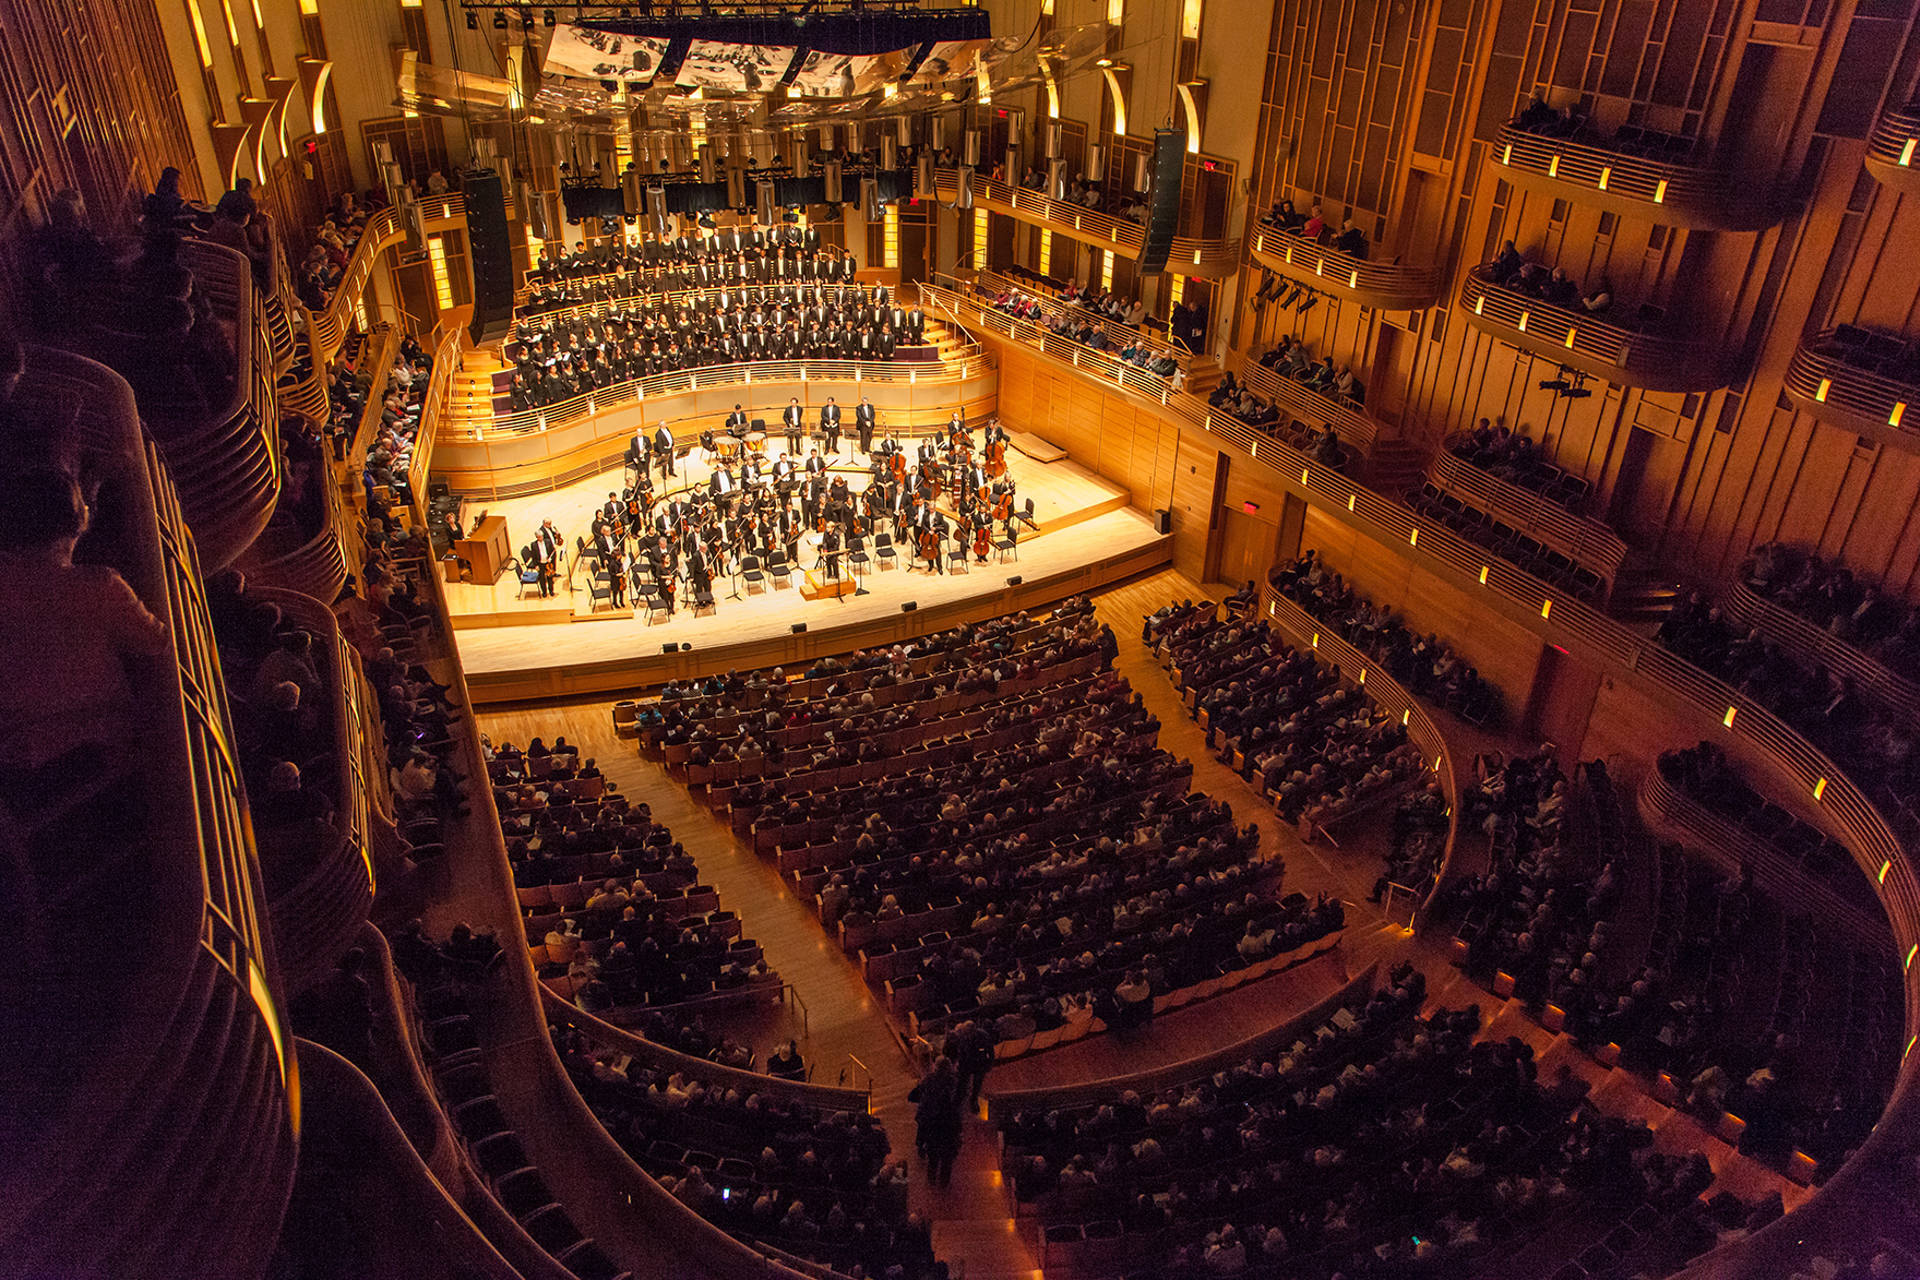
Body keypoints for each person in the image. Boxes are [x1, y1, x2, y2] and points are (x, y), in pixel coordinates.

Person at [0, 468, 171, 775]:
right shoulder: (98, 587)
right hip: (89, 753)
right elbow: (156, 641)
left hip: (12, 749)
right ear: (78, 522)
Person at [908, 1056, 963, 1189]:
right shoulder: (954, 1083)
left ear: (936, 1067)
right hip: (949, 1128)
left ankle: (931, 1181)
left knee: (932, 1158)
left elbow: (912, 1096)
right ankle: (944, 1183)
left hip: (931, 1123)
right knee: (947, 1159)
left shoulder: (928, 1080)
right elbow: (958, 1106)